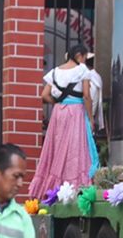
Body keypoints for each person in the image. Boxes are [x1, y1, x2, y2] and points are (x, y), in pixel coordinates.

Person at [27, 44, 99, 199]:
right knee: (75, 148)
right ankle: (74, 187)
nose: (85, 61)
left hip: (59, 113)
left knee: (57, 148)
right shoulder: (82, 70)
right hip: (76, 112)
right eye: (85, 57)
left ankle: (53, 188)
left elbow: (44, 95)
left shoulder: (55, 72)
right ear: (79, 55)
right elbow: (86, 95)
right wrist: (91, 118)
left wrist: (59, 103)